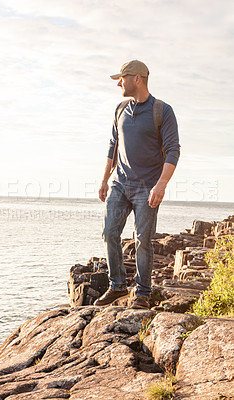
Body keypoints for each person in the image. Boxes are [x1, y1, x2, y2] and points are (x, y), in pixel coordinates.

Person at [94, 60, 180, 309]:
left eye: (122, 78)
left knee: (143, 240)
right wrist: (104, 180)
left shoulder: (162, 111)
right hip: (120, 184)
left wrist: (161, 185)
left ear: (137, 79)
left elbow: (173, 151)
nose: (119, 83)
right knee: (110, 233)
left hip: (147, 187)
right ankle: (117, 286)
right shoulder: (120, 109)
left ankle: (142, 293)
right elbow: (113, 146)